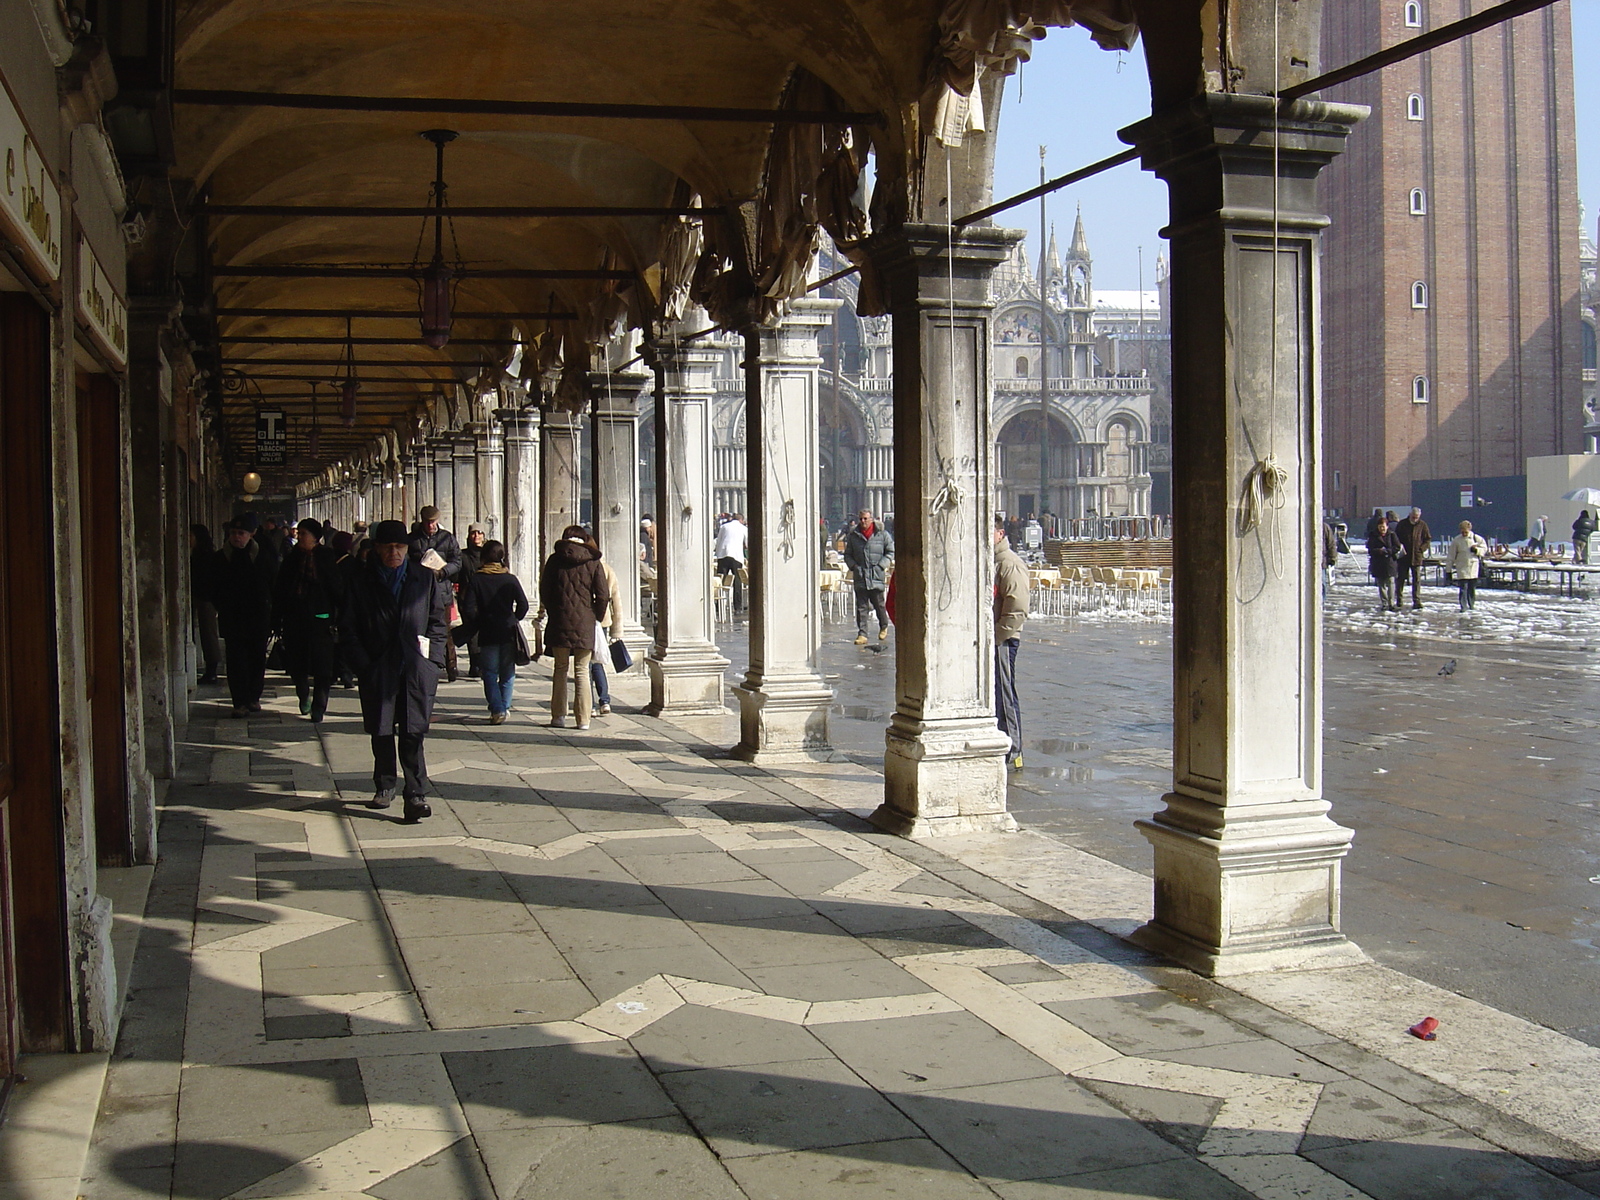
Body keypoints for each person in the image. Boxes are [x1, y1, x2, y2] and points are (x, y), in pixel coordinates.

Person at [340, 519, 448, 821]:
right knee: (382, 729)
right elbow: (347, 628)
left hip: (415, 667)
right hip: (378, 666)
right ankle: (385, 783)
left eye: (399, 547)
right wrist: (364, 665)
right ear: (376, 548)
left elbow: (437, 622)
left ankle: (415, 793)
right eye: (387, 547)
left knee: (413, 732)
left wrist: (434, 661)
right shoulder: (361, 581)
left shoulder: (422, 578)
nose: (394, 553)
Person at [539, 524, 610, 730]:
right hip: (585, 623)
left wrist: (555, 611)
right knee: (581, 671)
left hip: (560, 621)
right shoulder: (593, 561)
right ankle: (583, 719)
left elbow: (545, 590)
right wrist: (595, 615)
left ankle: (558, 716)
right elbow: (603, 595)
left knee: (560, 669)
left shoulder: (554, 560)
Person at [274, 518, 344, 722]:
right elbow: (281, 588)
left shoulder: (326, 557)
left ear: (315, 538)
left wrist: (339, 615)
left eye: (304, 533)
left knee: (323, 665)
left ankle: (319, 706)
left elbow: (337, 588)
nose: (299, 536)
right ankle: (303, 693)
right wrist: (277, 618)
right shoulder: (291, 558)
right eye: (299, 533)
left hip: (321, 617)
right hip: (294, 618)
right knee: (298, 662)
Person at [457, 539, 529, 724]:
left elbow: (469, 606)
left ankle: (497, 709)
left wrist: (478, 621)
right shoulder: (510, 579)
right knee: (507, 672)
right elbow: (523, 605)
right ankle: (504, 706)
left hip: (487, 632)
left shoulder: (477, 579)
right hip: (507, 630)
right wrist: (513, 619)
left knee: (489, 672)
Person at [213, 518, 278, 716]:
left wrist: (273, 614)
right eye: (234, 533)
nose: (237, 538)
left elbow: (273, 584)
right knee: (235, 660)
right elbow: (213, 586)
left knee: (257, 659)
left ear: (251, 534)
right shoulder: (221, 558)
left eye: (241, 534)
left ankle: (253, 697)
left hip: (258, 617)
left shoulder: (263, 556)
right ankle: (239, 701)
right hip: (232, 617)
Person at [409, 505, 463, 680]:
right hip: (418, 591)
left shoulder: (447, 538)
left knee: (444, 629)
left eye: (433, 522)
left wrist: (443, 571)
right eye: (427, 522)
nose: (430, 525)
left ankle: (450, 665)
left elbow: (457, 561)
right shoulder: (413, 540)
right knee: (419, 628)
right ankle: (423, 662)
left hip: (441, 591)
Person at [993, 516, 1029, 769]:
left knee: (1005, 693)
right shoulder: (991, 561)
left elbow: (1017, 607)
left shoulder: (1009, 563)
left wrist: (998, 635)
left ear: (1000, 533)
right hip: (990, 638)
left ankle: (1013, 748)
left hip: (1002, 640)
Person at [844, 507, 894, 645]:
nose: (863, 521)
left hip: (876, 575)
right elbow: (848, 554)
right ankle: (862, 633)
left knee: (879, 604)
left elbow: (890, 552)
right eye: (861, 519)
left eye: (865, 518)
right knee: (861, 607)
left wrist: (881, 566)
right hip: (861, 575)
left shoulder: (882, 534)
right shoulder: (854, 536)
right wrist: (854, 566)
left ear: (871, 519)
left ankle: (883, 626)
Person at [190, 524, 221, 684]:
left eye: (192, 536)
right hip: (200, 598)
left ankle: (212, 669)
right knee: (205, 633)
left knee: (208, 633)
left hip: (206, 599)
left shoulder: (205, 556)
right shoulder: (197, 554)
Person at [459, 524, 488, 678]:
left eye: (479, 533)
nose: (476, 536)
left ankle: (483, 663)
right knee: (472, 632)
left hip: (485, 598)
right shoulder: (462, 555)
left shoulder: (488, 554)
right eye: (473, 533)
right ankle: (475, 664)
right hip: (467, 599)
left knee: (484, 631)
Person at [1446, 519, 1489, 611]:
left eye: (1466, 532)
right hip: (1462, 566)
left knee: (1472, 588)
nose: (1464, 534)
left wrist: (1477, 551)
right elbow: (1451, 556)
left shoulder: (1477, 539)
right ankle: (1463, 606)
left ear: (1469, 530)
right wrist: (1448, 570)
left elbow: (1484, 549)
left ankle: (1471, 604)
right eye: (1462, 532)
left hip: (1473, 566)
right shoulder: (1457, 541)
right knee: (1463, 588)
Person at [1394, 506, 1431, 610]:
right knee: (1401, 578)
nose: (1415, 518)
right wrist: (1399, 547)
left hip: (1416, 556)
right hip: (1404, 557)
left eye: (1417, 517)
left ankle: (1417, 600)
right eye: (1413, 516)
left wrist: (1422, 549)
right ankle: (1399, 599)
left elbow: (1427, 539)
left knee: (1417, 580)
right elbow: (1395, 538)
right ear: (1410, 515)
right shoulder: (1402, 524)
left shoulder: (1422, 525)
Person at [1366, 516, 1404, 613]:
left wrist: (1388, 551)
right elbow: (1370, 548)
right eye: (1380, 527)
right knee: (1381, 584)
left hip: (1389, 562)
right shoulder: (1373, 535)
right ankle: (1384, 603)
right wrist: (1378, 551)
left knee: (1391, 583)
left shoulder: (1392, 534)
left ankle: (1391, 603)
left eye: (1383, 527)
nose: (1382, 529)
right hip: (1378, 563)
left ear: (1387, 526)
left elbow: (1397, 546)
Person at [713, 512, 750, 612]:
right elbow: (747, 544)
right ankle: (737, 607)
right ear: (741, 520)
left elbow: (718, 541)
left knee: (721, 580)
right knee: (736, 581)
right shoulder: (743, 528)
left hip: (723, 554)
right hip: (736, 556)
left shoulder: (724, 527)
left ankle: (718, 605)